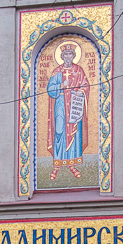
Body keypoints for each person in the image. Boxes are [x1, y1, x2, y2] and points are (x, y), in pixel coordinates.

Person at [46, 42, 90, 181]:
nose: (68, 56)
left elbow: (86, 85)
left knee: (74, 134)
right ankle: (57, 164)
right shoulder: (57, 71)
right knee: (59, 131)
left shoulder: (79, 70)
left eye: (70, 54)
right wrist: (60, 85)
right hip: (60, 104)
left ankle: (72, 164)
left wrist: (80, 91)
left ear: (74, 56)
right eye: (65, 54)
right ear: (62, 56)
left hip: (74, 105)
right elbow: (50, 89)